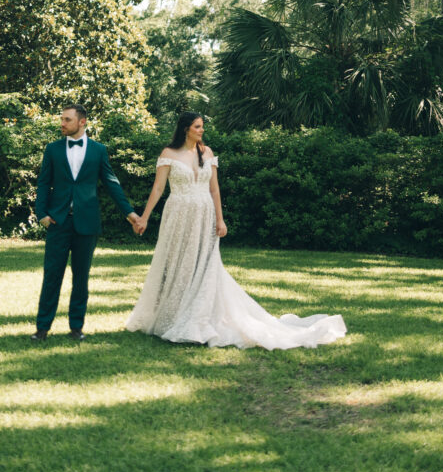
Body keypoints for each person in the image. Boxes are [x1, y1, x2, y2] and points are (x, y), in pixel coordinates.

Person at [126, 111, 346, 349]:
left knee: (204, 265)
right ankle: (172, 315)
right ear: (185, 129)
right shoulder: (169, 154)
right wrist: (145, 218)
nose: (201, 130)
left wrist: (220, 220)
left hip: (204, 215)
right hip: (178, 215)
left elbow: (214, 190)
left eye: (202, 127)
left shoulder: (207, 153)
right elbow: (158, 188)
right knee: (179, 263)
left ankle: (199, 317)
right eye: (197, 127)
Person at [32, 103, 142, 342]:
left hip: (87, 223)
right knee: (52, 276)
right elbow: (43, 183)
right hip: (58, 222)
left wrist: (130, 214)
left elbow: (111, 183)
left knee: (81, 277)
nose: (62, 123)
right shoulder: (52, 149)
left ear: (82, 122)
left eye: (67, 120)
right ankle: (42, 328)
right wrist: (41, 214)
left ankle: (76, 327)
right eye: (61, 119)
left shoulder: (98, 150)